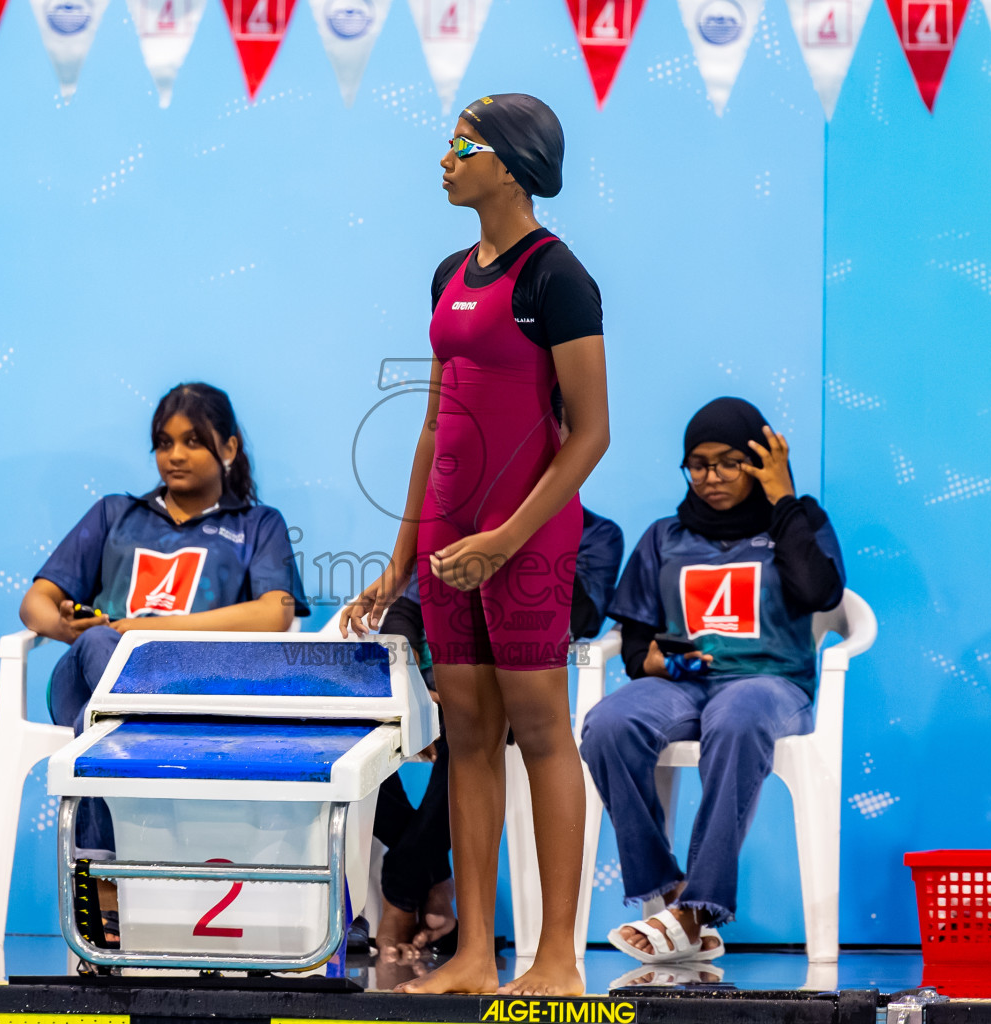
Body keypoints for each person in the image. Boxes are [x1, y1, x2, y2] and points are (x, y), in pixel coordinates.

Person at [342, 92, 609, 996]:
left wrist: (505, 538)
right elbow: (434, 428)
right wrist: (399, 557)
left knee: (540, 732)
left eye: (463, 145)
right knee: (466, 738)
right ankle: (474, 955)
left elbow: (590, 434)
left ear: (512, 163)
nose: (445, 159)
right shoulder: (448, 272)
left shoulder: (557, 278)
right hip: (452, 541)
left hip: (525, 535)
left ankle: (558, 959)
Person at [579, 397, 845, 964]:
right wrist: (662, 661)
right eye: (698, 464)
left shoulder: (798, 523)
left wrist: (783, 501)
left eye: (728, 462)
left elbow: (822, 593)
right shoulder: (664, 537)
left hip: (772, 685)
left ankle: (700, 908)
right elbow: (633, 646)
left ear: (758, 462)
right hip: (685, 685)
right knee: (608, 722)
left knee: (739, 713)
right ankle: (671, 891)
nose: (711, 478)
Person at [19, 382, 309, 872]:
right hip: (91, 665)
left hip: (192, 686)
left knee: (98, 718)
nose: (174, 455)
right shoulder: (116, 514)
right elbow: (35, 605)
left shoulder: (259, 524)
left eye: (192, 441)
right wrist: (72, 627)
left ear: (230, 448)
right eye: (163, 442)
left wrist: (148, 629)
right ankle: (133, 725)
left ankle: (100, 873)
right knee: (97, 647)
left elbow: (274, 612)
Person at [372, 475, 623, 964]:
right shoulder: (454, 523)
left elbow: (584, 615)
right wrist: (416, 688)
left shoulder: (596, 533)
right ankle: (431, 880)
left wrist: (520, 537)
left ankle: (401, 891)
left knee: (470, 729)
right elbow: (407, 608)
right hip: (443, 679)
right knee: (364, 737)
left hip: (522, 681)